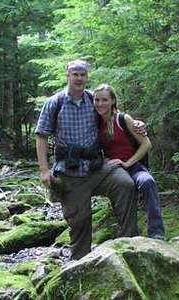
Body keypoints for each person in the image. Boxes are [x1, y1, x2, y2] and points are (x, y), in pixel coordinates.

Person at [35, 60, 140, 260]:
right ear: (68, 75)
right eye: (75, 74)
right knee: (80, 220)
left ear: (87, 77)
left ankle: (131, 246)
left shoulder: (94, 100)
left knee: (125, 184)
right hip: (69, 172)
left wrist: (137, 124)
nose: (79, 78)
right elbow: (41, 136)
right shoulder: (55, 103)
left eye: (83, 75)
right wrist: (44, 170)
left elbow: (116, 117)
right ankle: (80, 264)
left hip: (97, 167)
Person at [93, 83, 165, 240]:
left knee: (147, 182)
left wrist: (127, 163)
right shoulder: (94, 123)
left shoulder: (123, 119)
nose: (100, 104)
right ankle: (132, 235)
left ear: (112, 101)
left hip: (134, 167)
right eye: (97, 100)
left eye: (104, 100)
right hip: (114, 171)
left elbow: (146, 144)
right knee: (123, 192)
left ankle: (156, 232)